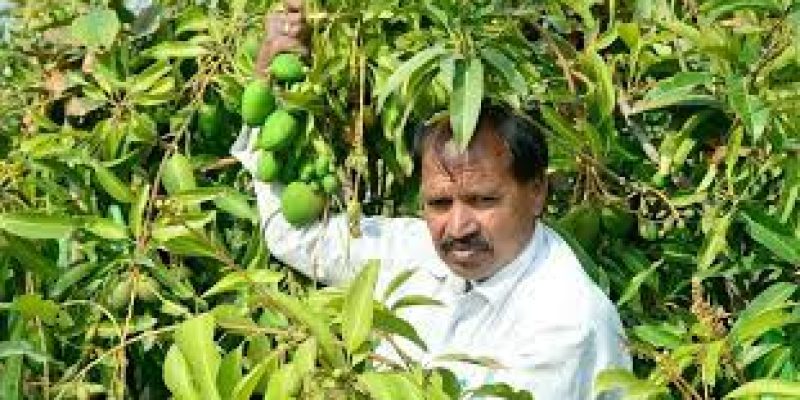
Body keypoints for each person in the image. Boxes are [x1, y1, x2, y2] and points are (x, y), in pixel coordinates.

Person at [231, 1, 632, 398]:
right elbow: (296, 236)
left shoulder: (566, 322)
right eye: (439, 204)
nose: (457, 227)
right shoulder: (410, 252)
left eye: (483, 201)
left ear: (536, 193)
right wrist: (270, 78)